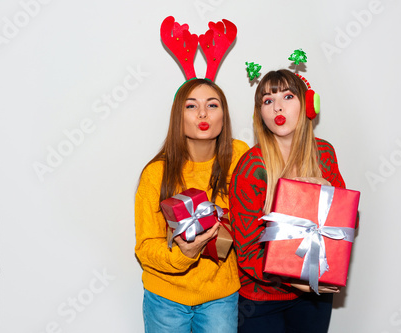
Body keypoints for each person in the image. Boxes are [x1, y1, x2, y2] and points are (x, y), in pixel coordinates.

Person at [229, 69, 347, 333]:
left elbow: (346, 225)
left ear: (307, 104)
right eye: (268, 101)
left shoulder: (324, 154)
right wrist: (297, 282)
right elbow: (246, 252)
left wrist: (330, 194)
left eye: (288, 96)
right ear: (260, 113)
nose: (277, 107)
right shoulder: (251, 167)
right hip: (260, 301)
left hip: (314, 295)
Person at [135, 78, 249, 333]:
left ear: (224, 115)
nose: (202, 113)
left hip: (220, 295)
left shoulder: (240, 156)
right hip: (166, 296)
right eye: (191, 106)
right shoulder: (156, 173)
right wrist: (182, 255)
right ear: (178, 116)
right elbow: (144, 247)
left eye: (212, 105)